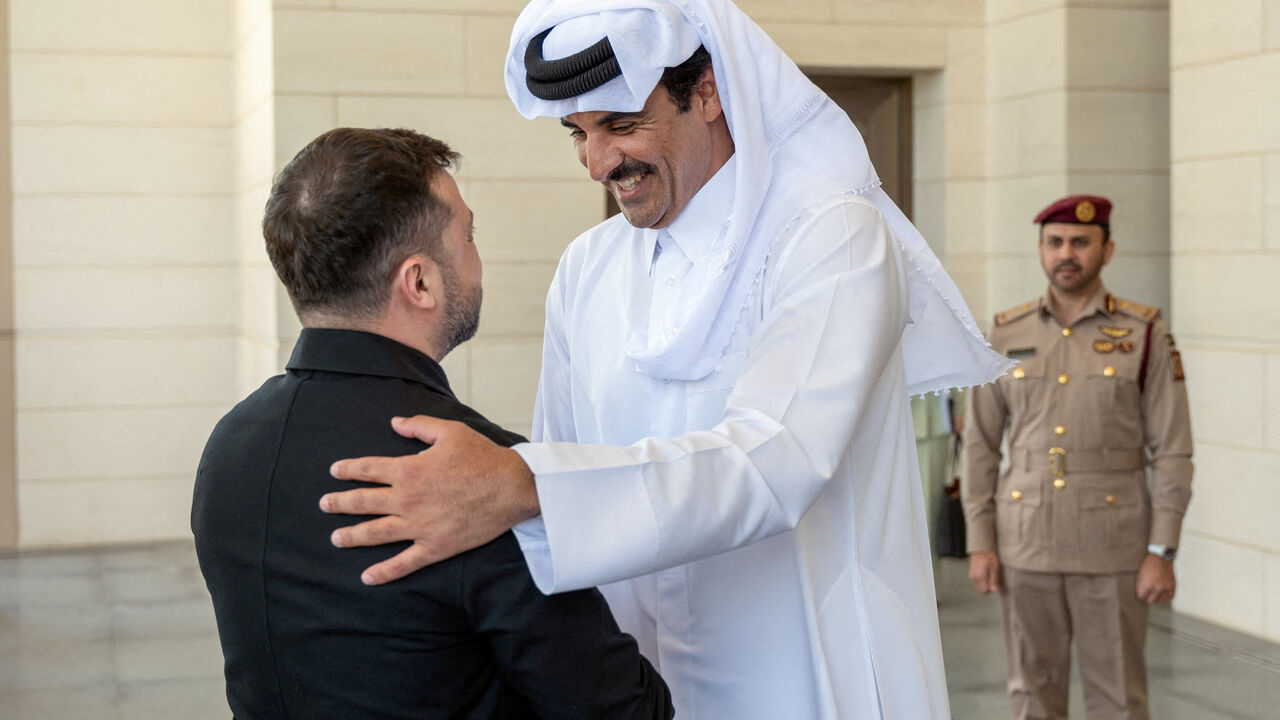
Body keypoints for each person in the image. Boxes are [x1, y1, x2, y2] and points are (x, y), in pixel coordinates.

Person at [320, 2, 1011, 717]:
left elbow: (775, 461)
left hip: (805, 675)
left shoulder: (831, 239)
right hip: (629, 684)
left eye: (621, 124)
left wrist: (525, 485)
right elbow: (561, 454)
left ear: (707, 91)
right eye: (577, 134)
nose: (598, 162)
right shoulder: (588, 267)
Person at [191, 127, 673, 720]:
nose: (475, 255)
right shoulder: (477, 473)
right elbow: (621, 709)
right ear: (419, 282)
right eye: (467, 235)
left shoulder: (231, 443)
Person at [961, 194, 1194, 720]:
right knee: (1031, 697)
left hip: (1113, 550)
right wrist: (980, 542)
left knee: (1118, 699)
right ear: (1041, 250)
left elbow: (1174, 450)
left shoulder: (1145, 334)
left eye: (1081, 242)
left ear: (1107, 251)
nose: (1067, 253)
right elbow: (978, 445)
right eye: (1055, 242)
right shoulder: (1005, 332)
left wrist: (1163, 549)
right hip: (1025, 546)